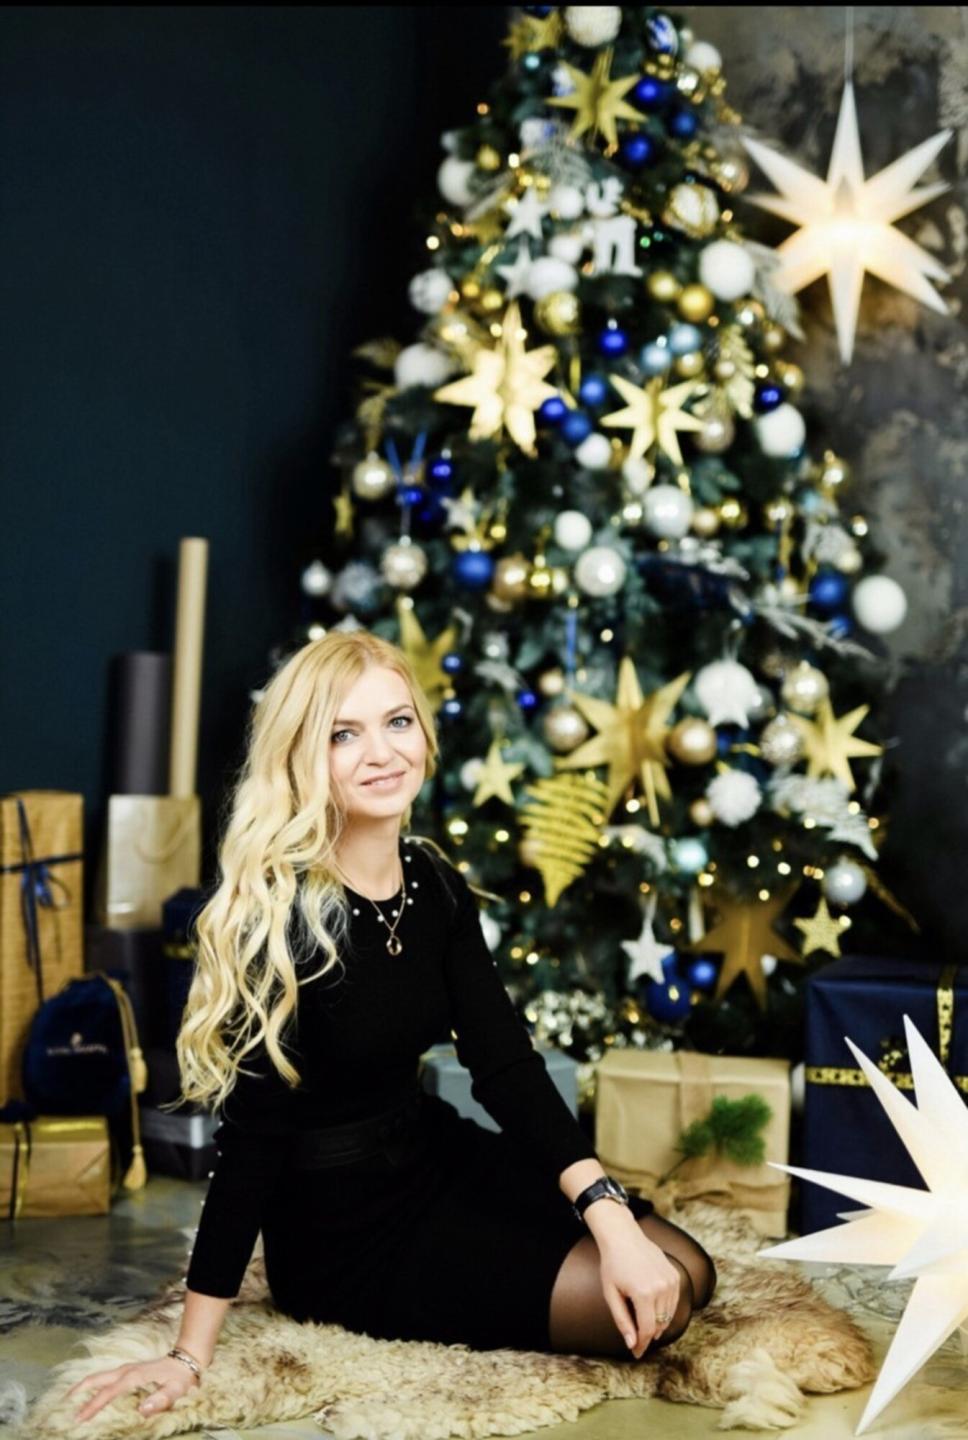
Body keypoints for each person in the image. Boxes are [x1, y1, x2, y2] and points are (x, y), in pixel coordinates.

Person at [69, 630, 716, 1425]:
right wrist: (187, 1354)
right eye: (344, 734)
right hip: (343, 1233)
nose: (381, 753)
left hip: (432, 1151)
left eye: (397, 722)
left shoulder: (435, 885)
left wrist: (604, 1211)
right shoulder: (282, 922)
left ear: (424, 734)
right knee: (656, 1311)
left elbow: (505, 1065)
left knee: (686, 1268)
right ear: (302, 758)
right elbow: (251, 1149)